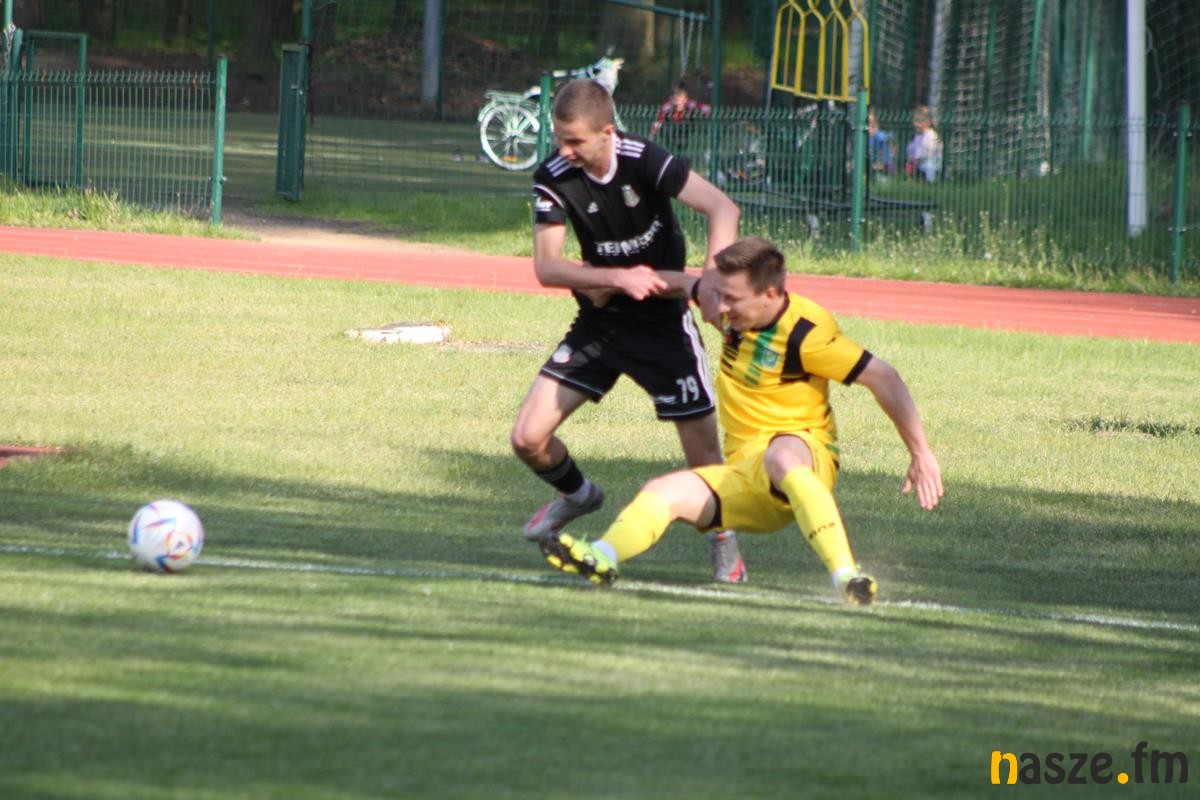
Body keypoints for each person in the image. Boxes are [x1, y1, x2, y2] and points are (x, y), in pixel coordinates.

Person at [538, 237, 944, 605]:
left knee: (781, 456)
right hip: (745, 471)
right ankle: (601, 557)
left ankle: (847, 577)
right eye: (720, 295)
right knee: (662, 491)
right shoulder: (733, 313)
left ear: (771, 294)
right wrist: (620, 281)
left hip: (804, 451)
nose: (720, 308)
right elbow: (679, 283)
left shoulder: (807, 333)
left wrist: (921, 453)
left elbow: (884, 377)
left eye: (731, 298)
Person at [512, 77, 747, 583]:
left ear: (607, 132)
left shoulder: (645, 159)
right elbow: (548, 268)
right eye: (559, 138)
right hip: (601, 323)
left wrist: (710, 284)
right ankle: (579, 495)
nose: (564, 151)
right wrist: (617, 278)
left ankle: (723, 541)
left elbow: (723, 208)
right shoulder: (554, 175)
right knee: (527, 438)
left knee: (704, 458)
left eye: (574, 141)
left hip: (664, 327)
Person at [649, 82, 712, 156]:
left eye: (680, 99)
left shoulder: (690, 105)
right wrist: (652, 135)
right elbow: (659, 121)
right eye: (675, 99)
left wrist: (706, 112)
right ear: (671, 100)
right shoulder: (666, 108)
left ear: (685, 100)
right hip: (671, 130)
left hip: (687, 129)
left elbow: (705, 108)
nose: (677, 102)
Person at [905, 105, 942, 182]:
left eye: (919, 122)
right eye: (915, 121)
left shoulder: (931, 135)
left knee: (928, 165)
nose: (915, 124)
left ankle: (929, 181)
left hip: (929, 164)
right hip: (918, 164)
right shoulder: (918, 136)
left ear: (928, 122)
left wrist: (917, 159)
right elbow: (910, 150)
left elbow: (929, 153)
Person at [867, 110, 896, 178]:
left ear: (876, 123)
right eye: (868, 123)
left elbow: (889, 146)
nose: (869, 125)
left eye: (871, 122)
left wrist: (881, 163)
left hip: (883, 168)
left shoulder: (880, 136)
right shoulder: (867, 137)